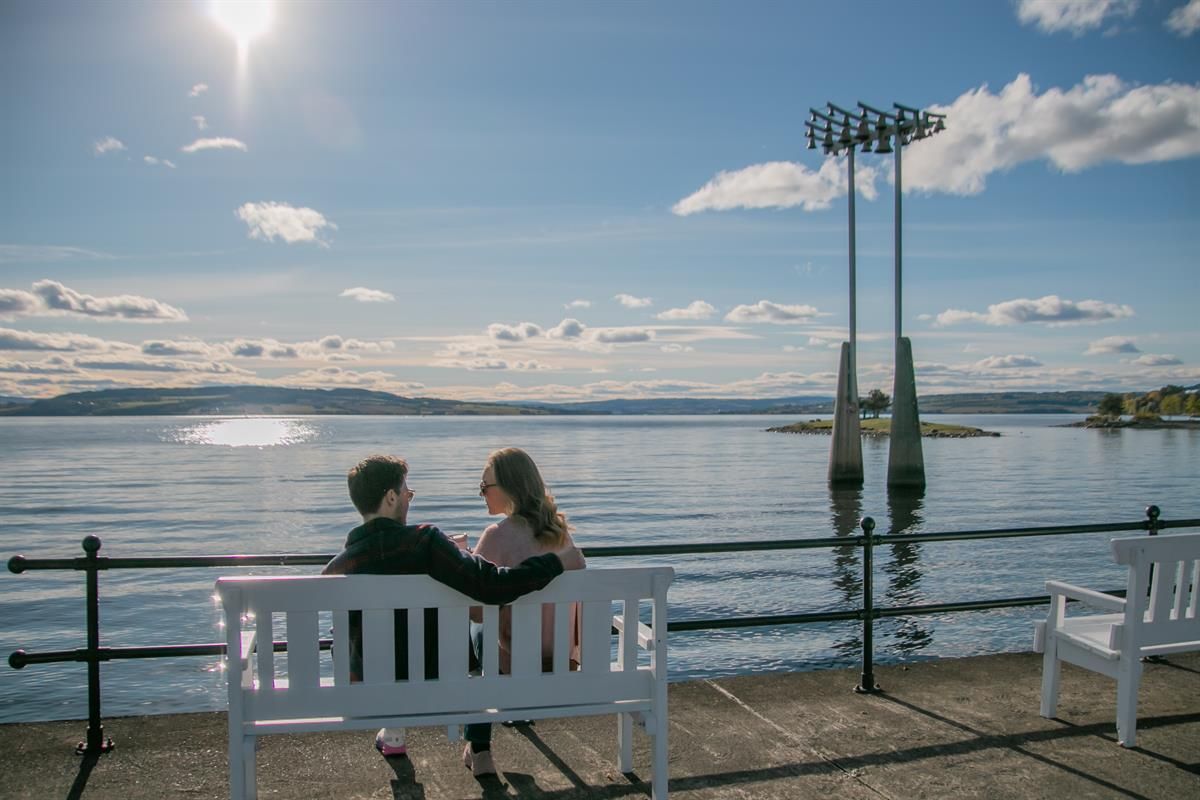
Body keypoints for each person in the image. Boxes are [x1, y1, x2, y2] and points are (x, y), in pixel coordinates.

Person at [322, 454, 574, 763]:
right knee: (472, 628)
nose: (408, 500)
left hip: (362, 691)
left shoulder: (338, 568)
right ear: (390, 498)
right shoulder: (425, 542)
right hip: (435, 682)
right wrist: (554, 562)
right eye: (406, 493)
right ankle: (476, 746)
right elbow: (491, 585)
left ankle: (393, 730)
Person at [464, 447, 587, 776]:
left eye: (484, 486)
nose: (481, 493)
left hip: (515, 662)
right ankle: (483, 740)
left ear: (507, 487)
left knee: (473, 631)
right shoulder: (563, 537)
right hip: (563, 659)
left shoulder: (497, 536)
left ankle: (480, 749)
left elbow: (475, 611)